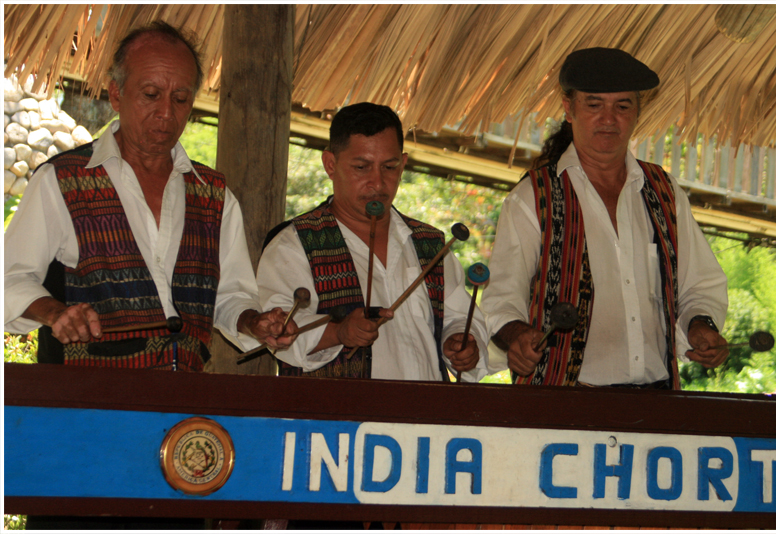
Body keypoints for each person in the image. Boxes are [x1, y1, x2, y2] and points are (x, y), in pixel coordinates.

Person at [4, 22, 296, 372]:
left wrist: (253, 321)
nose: (166, 114)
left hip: (181, 407)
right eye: (151, 94)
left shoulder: (214, 195)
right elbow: (10, 278)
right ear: (116, 95)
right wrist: (55, 314)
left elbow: (231, 296)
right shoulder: (61, 181)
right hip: (83, 404)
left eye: (180, 98)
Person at [481, 47, 729, 389]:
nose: (609, 119)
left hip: (656, 400)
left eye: (622, 106)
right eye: (594, 105)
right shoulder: (532, 197)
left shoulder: (664, 191)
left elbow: (698, 284)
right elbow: (501, 298)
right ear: (569, 109)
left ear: (638, 112)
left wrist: (701, 324)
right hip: (562, 404)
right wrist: (517, 334)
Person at [257, 102, 491, 382]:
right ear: (330, 165)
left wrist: (461, 341)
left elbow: (459, 317)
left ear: (403, 164)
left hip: (427, 418)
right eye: (361, 167)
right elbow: (280, 333)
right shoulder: (293, 245)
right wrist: (338, 332)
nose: (378, 183)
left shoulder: (432, 245)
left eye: (389, 167)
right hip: (338, 423)